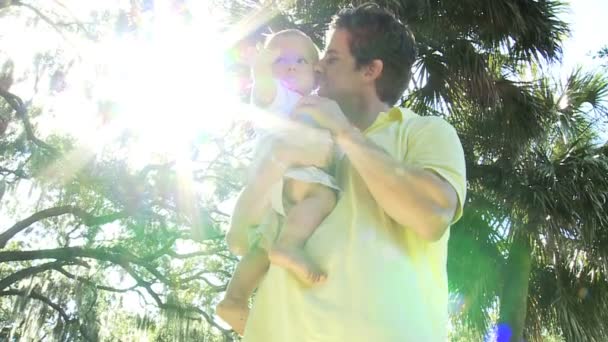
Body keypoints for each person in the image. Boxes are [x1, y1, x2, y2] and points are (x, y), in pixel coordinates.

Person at [231, 3, 467, 341]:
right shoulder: (296, 144)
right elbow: (241, 239)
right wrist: (279, 160)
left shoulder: (424, 131)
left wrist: (345, 133)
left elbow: (431, 215)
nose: (318, 66)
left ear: (370, 70)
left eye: (332, 58)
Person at [216, 29, 340, 336]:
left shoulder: (315, 100)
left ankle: (234, 298)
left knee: (261, 246)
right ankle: (290, 246)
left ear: (316, 70)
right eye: (281, 60)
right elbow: (263, 89)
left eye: (300, 60)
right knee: (323, 198)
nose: (291, 66)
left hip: (273, 188)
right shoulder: (279, 97)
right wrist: (260, 68)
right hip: (294, 174)